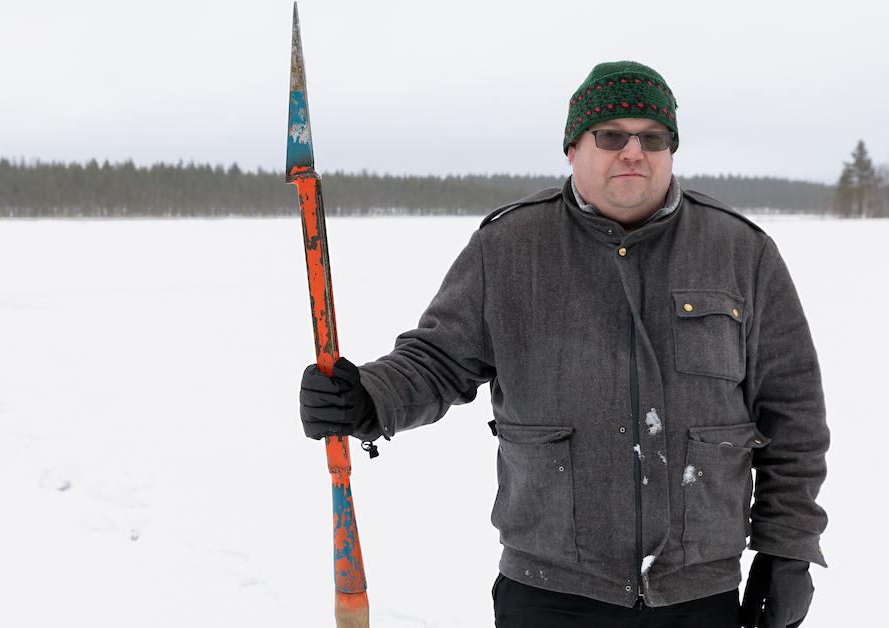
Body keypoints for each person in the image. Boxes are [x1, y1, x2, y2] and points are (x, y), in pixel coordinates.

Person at [298, 60, 828, 628]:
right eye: (611, 135)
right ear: (573, 149)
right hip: (548, 589)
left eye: (652, 137)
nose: (633, 151)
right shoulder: (508, 248)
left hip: (697, 592)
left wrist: (787, 548)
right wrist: (368, 397)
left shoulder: (741, 252)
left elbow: (791, 413)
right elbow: (437, 360)